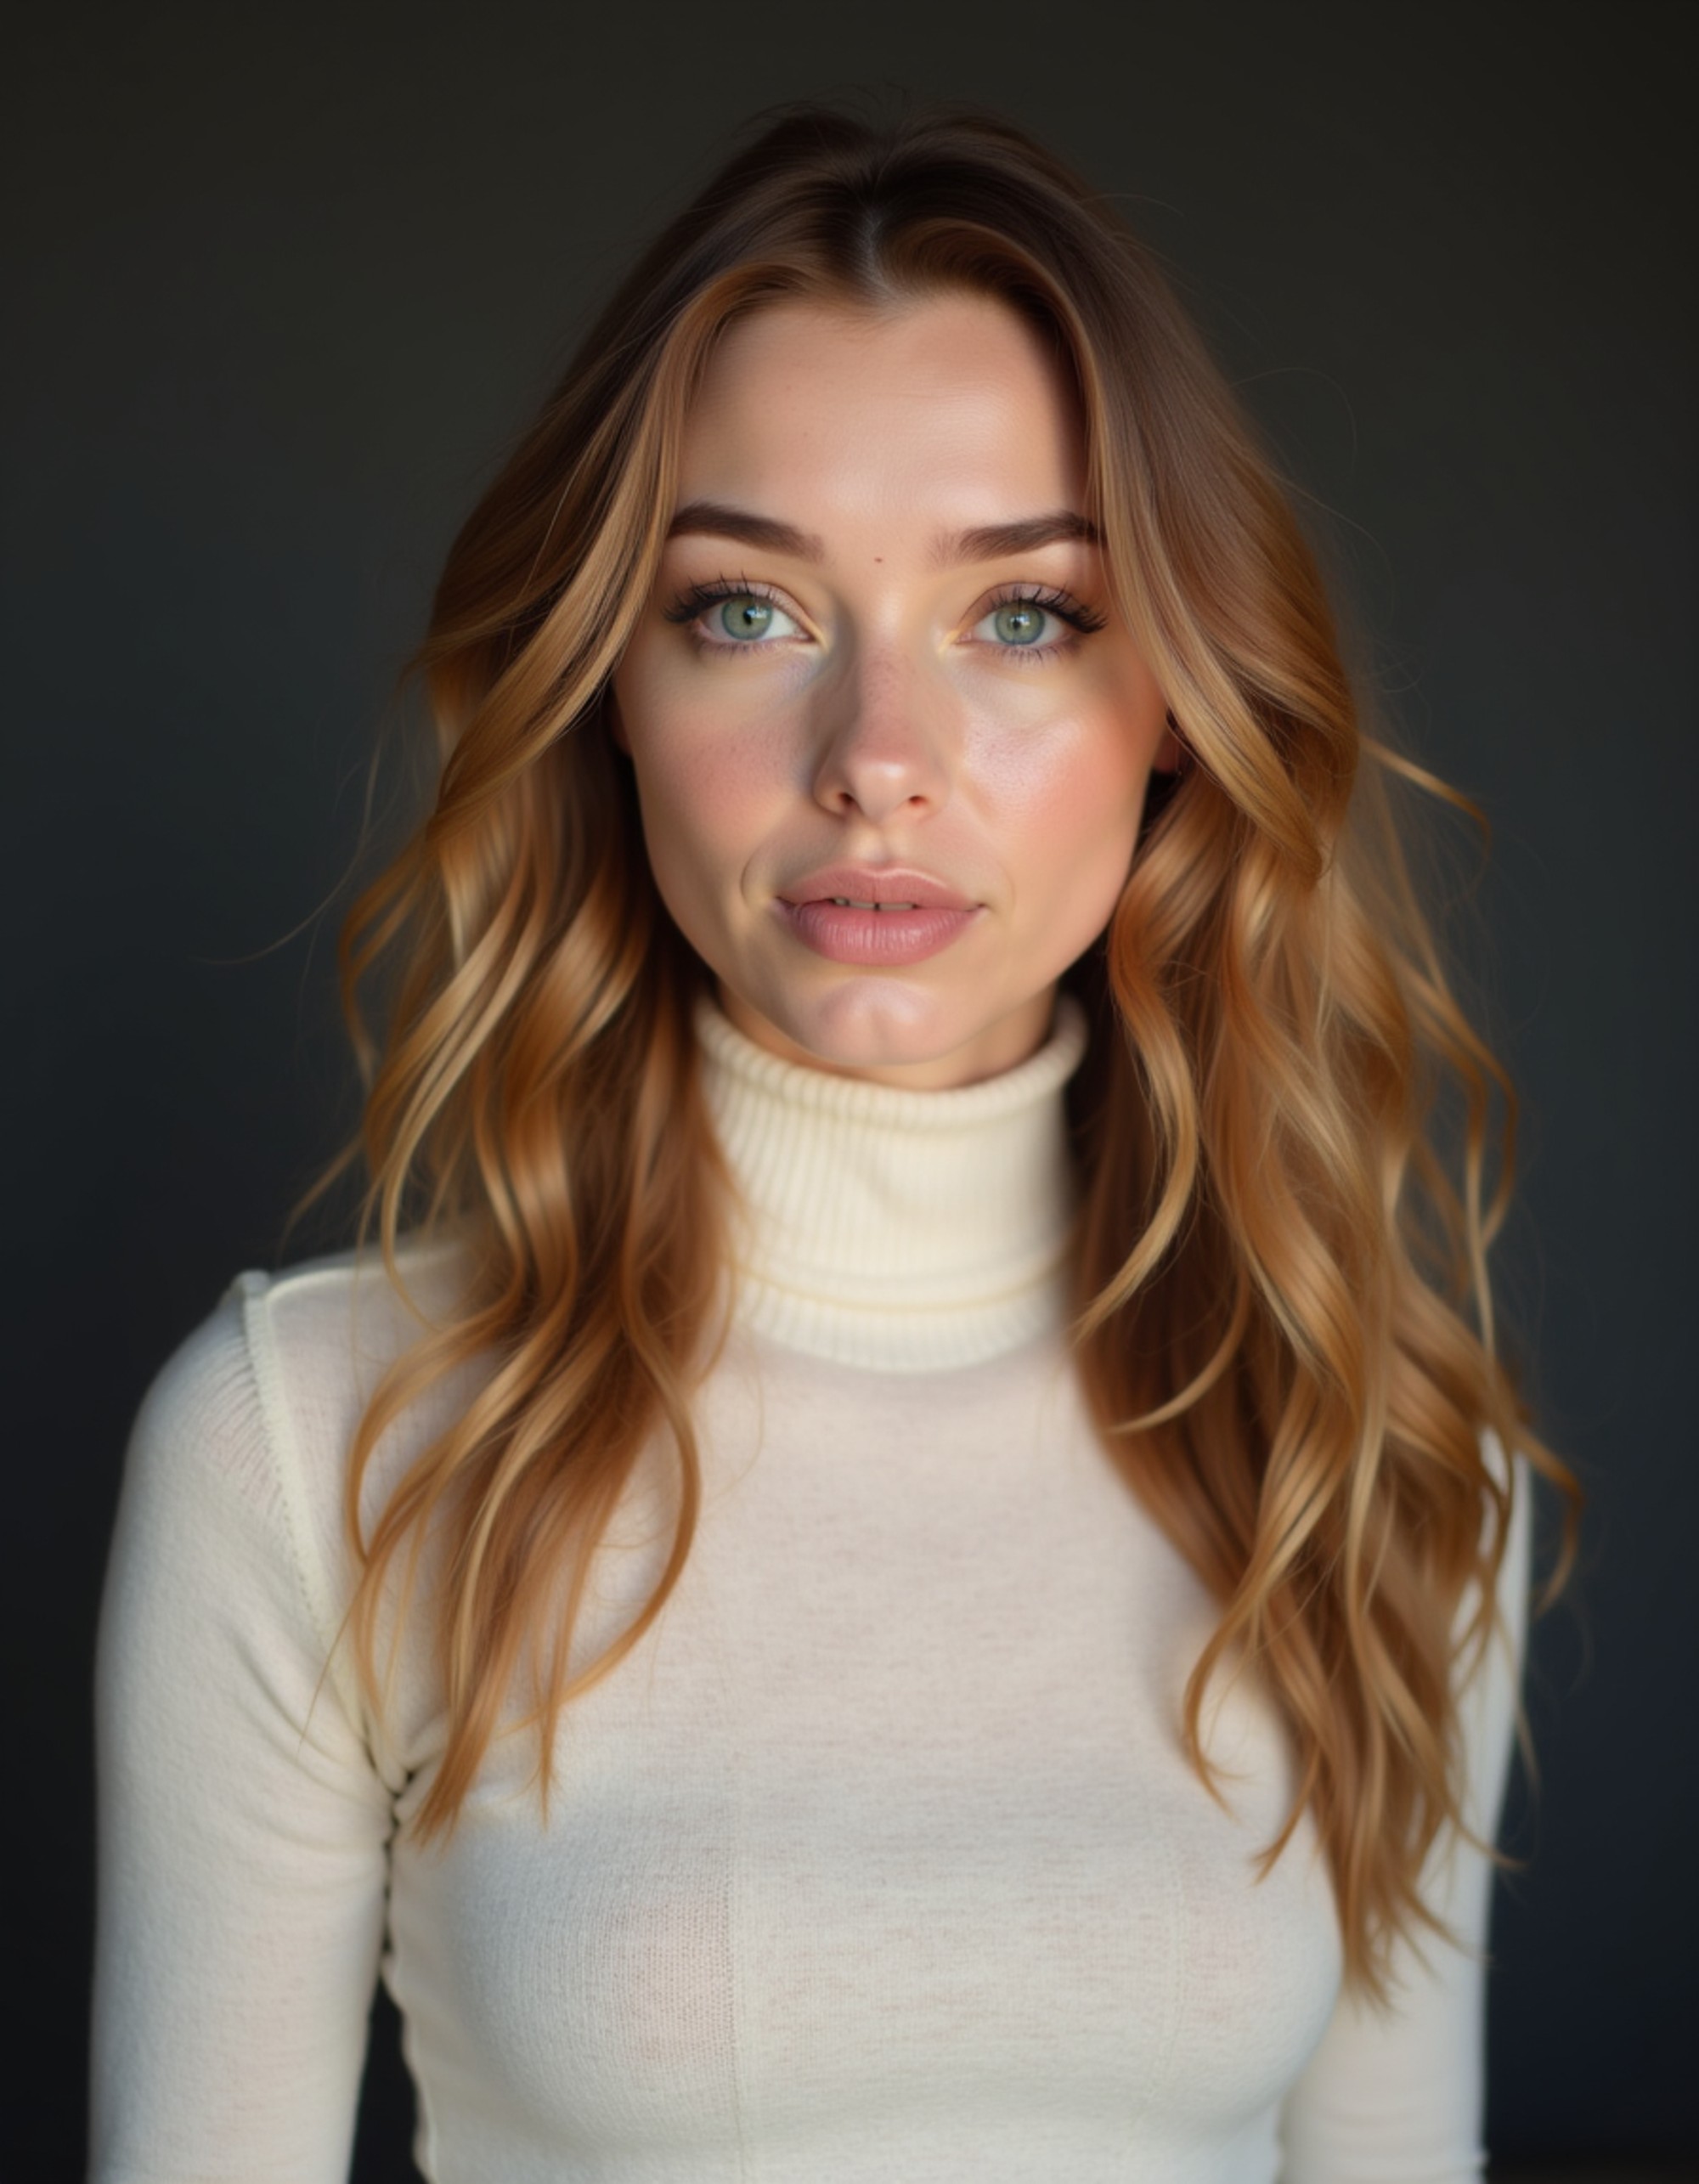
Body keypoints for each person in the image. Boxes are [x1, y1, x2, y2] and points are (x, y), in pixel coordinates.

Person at [90, 99, 1579, 2182]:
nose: (878, 759)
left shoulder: (1381, 1463)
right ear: (609, 680)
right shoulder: (313, 1439)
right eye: (747, 610)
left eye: (1026, 615)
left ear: (1181, 709)